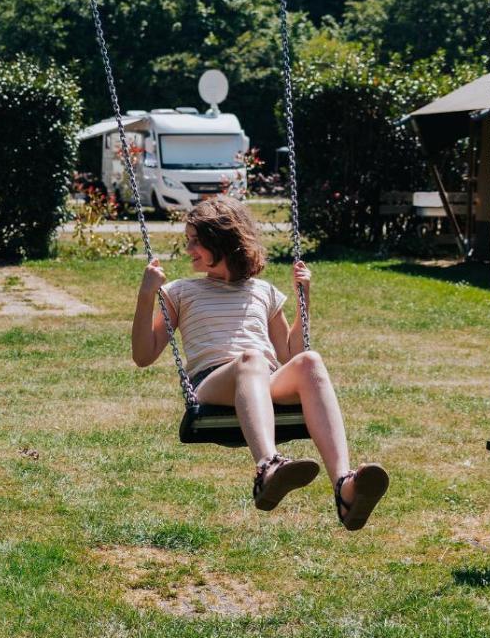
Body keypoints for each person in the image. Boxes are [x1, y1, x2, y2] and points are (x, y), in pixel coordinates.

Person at [130, 196, 388, 530]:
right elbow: (143, 355)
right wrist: (146, 295)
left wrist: (304, 299)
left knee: (310, 361)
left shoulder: (263, 291)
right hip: (212, 384)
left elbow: (290, 356)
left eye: (195, 241)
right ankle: (268, 467)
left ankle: (345, 487)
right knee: (250, 359)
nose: (188, 248)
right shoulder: (180, 292)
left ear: (221, 241)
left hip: (263, 381)